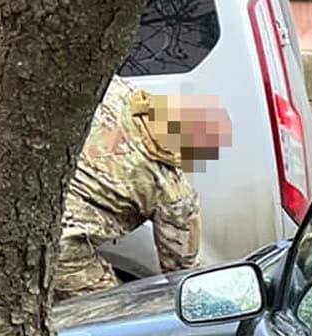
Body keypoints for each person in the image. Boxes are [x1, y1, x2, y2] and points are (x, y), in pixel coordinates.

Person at [53, 76, 230, 300]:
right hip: (60, 240)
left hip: (20, 188)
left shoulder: (117, 91)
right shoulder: (172, 192)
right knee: (108, 311)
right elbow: (181, 272)